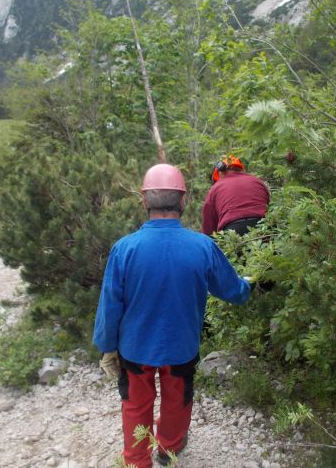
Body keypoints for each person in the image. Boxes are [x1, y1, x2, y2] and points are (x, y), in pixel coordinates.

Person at [92, 164, 251, 468]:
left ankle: (137, 461)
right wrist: (249, 284)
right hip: (181, 346)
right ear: (183, 201)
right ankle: (168, 450)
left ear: (144, 201)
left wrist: (107, 347)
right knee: (178, 400)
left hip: (135, 348)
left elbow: (110, 304)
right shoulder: (203, 246)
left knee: (136, 405)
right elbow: (234, 291)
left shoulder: (124, 249)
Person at [202, 155, 270, 236]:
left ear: (221, 171)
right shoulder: (257, 181)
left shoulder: (215, 188)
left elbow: (208, 226)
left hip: (233, 229)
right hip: (262, 226)